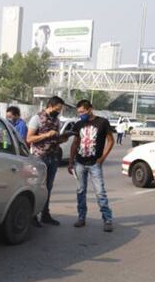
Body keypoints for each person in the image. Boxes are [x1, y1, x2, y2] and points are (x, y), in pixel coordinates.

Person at [68, 99, 114, 232]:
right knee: (80, 191)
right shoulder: (79, 124)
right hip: (80, 163)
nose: (80, 114)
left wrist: (103, 158)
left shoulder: (102, 122)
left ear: (90, 109)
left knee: (100, 192)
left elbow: (110, 141)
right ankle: (81, 217)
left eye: (82, 111)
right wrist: (71, 162)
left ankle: (107, 219)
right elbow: (75, 143)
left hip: (95, 164)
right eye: (79, 112)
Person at [26, 96, 69, 226]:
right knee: (37, 186)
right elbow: (29, 139)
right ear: (50, 105)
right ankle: (33, 216)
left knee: (48, 187)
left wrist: (62, 139)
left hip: (53, 156)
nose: (59, 112)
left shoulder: (56, 120)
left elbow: (54, 138)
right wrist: (46, 135)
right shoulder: (37, 118)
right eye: (57, 109)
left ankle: (45, 214)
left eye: (60, 110)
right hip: (39, 157)